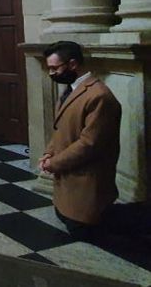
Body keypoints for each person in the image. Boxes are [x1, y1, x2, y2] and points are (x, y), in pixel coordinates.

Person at [38, 41, 122, 241]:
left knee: (83, 230)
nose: (51, 73)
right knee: (64, 217)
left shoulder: (99, 95)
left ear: (73, 64)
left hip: (86, 184)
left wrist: (53, 164)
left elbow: (89, 144)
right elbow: (61, 129)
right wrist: (49, 152)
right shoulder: (70, 90)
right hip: (68, 181)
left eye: (54, 68)